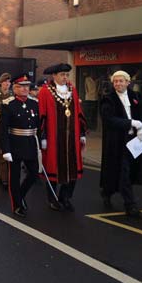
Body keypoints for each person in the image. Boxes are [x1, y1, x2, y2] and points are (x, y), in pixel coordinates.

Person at [99, 70, 142, 217]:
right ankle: (130, 205)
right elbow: (109, 119)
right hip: (118, 142)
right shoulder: (108, 99)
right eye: (115, 81)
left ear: (128, 82)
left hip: (135, 141)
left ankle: (107, 191)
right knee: (123, 171)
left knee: (128, 171)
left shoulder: (136, 96)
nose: (118, 84)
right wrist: (131, 123)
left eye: (121, 81)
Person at [38, 63, 86, 212]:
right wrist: (43, 137)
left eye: (67, 75)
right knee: (53, 167)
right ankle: (52, 198)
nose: (65, 77)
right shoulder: (45, 92)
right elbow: (42, 115)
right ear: (54, 76)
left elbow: (78, 112)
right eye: (62, 75)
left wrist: (82, 133)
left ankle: (65, 197)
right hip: (54, 138)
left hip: (72, 137)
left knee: (72, 167)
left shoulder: (73, 90)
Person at [0, 73, 41, 217]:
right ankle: (17, 204)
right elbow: (2, 130)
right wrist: (5, 150)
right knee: (15, 177)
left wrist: (42, 140)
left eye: (27, 86)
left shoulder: (34, 103)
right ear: (14, 88)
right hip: (15, 143)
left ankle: (21, 195)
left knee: (34, 173)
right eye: (21, 87)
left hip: (30, 143)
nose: (25, 89)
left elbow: (39, 125)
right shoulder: (8, 104)